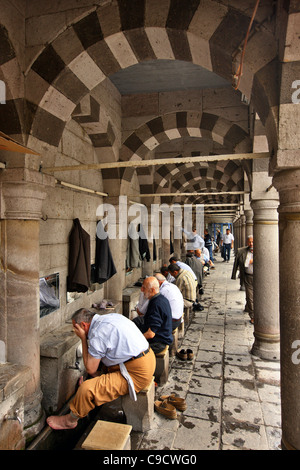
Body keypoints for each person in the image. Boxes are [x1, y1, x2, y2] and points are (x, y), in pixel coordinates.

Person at [46, 309, 155, 430]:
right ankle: (97, 388)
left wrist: (82, 338)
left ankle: (70, 420)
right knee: (101, 366)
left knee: (86, 389)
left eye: (75, 328)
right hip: (147, 359)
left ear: (83, 325)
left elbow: (90, 369)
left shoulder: (98, 333)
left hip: (137, 373)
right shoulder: (109, 318)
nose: (75, 331)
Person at [133, 276, 173, 354]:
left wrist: (135, 340)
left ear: (152, 290)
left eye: (144, 288)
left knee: (130, 350)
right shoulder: (160, 298)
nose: (141, 290)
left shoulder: (156, 304)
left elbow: (150, 334)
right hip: (161, 336)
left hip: (158, 343)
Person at [231, 235, 254, 323]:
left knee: (255, 297)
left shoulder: (261, 251)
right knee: (250, 296)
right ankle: (253, 315)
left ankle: (248, 307)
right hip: (248, 277)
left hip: (259, 278)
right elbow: (238, 263)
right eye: (249, 242)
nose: (251, 243)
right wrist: (234, 275)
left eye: (252, 242)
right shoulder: (242, 251)